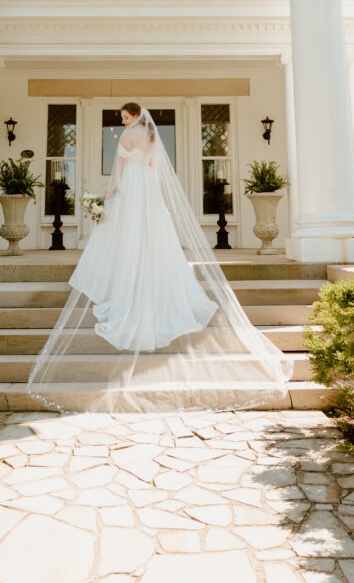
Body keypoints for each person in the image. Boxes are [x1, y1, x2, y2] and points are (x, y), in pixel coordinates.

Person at [27, 103, 293, 413]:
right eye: (123, 119)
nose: (124, 121)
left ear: (135, 116)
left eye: (126, 117)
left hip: (131, 191)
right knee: (153, 238)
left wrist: (109, 195)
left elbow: (118, 171)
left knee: (129, 237)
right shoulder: (152, 137)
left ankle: (128, 282)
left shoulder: (127, 136)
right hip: (149, 193)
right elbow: (153, 168)